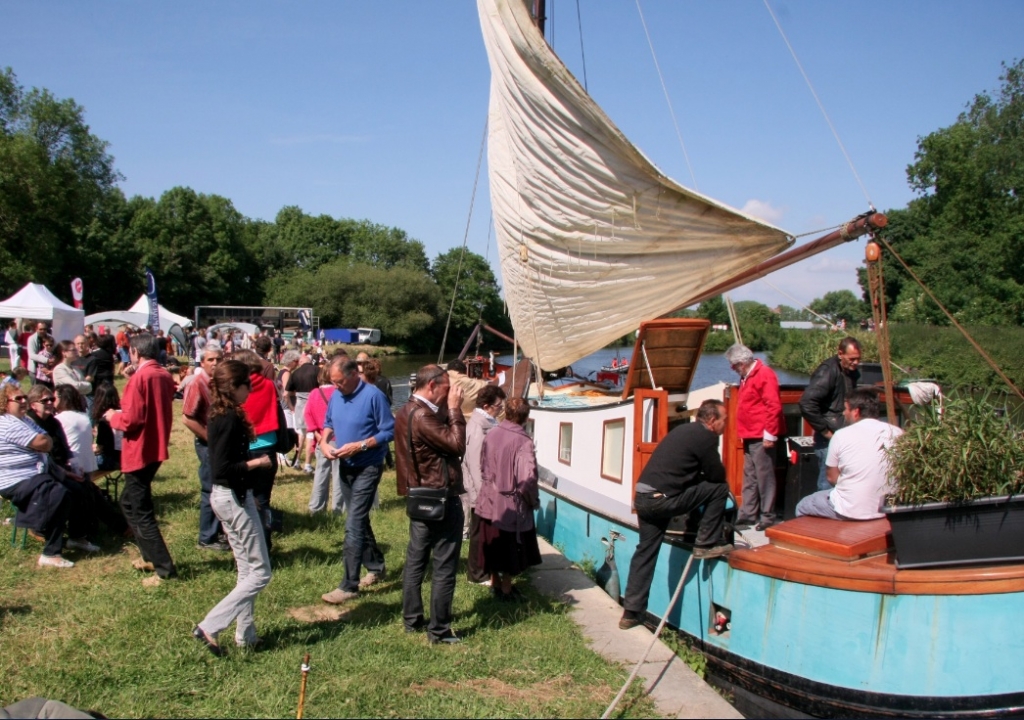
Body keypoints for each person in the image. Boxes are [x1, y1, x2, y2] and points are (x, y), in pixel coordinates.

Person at [619, 399, 733, 630]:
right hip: (662, 501)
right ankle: (706, 543)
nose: (725, 426)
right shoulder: (706, 436)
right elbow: (717, 475)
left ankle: (631, 613)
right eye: (724, 421)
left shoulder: (683, 429)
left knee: (646, 552)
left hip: (642, 497)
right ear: (712, 421)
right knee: (720, 489)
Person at [192, 360, 274, 657]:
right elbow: (223, 467)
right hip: (231, 496)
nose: (251, 391)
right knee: (261, 574)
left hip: (234, 495)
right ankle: (209, 626)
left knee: (246, 571)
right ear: (235, 387)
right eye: (247, 386)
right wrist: (258, 462)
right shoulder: (225, 419)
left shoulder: (223, 414)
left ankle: (246, 636)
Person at [393, 364, 466, 643]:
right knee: (444, 565)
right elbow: (457, 445)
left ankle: (412, 620)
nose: (451, 393)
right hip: (441, 497)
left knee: (416, 560)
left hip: (419, 494)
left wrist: (447, 410)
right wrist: (456, 409)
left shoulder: (405, 410)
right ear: (432, 386)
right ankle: (439, 630)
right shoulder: (424, 416)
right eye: (447, 387)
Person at [319, 357, 395, 605]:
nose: (336, 386)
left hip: (368, 466)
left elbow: (389, 431)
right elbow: (328, 423)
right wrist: (323, 443)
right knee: (358, 519)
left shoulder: (374, 396)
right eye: (333, 382)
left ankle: (349, 585)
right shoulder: (335, 395)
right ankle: (376, 566)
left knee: (353, 524)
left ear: (354, 375)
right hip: (345, 465)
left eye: (339, 382)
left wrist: (361, 445)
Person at [105, 333, 178, 585]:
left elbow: (131, 420)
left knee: (141, 510)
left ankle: (164, 568)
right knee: (127, 502)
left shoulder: (140, 379)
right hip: (155, 447)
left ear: (135, 353)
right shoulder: (162, 374)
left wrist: (112, 416)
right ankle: (150, 555)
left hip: (140, 450)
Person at [0, 384, 84, 567]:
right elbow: (43, 442)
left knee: (78, 489)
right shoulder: (7, 423)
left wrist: (46, 445)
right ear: (5, 404)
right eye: (18, 399)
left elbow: (46, 440)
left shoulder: (25, 420)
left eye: (24, 397)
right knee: (58, 494)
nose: (23, 402)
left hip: (39, 472)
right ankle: (50, 552)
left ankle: (76, 537)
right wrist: (43, 442)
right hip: (16, 479)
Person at [796, 389, 904, 520]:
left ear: (856, 412)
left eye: (846, 409)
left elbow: (831, 478)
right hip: (887, 508)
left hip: (851, 509)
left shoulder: (841, 435)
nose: (843, 413)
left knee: (803, 505)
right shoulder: (898, 433)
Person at [475, 397, 541, 600]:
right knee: (510, 547)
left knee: (493, 542)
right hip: (510, 505)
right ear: (525, 417)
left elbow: (482, 464)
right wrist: (533, 500)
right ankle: (506, 589)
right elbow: (527, 479)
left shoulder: (492, 433)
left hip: (488, 500)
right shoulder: (523, 441)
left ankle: (495, 581)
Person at [726, 344, 784, 531]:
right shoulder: (747, 376)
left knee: (764, 476)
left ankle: (767, 515)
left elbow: (773, 406)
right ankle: (748, 514)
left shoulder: (764, 374)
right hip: (749, 433)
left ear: (742, 363)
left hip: (761, 434)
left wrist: (770, 434)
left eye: (734, 365)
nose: (732, 369)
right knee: (750, 475)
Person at [182, 343, 229, 551]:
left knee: (221, 486)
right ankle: (206, 537)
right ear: (203, 362)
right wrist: (209, 438)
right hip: (207, 444)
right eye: (211, 360)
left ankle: (218, 531)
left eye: (218, 359)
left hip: (221, 443)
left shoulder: (220, 383)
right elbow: (188, 418)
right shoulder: (197, 383)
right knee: (210, 487)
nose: (215, 363)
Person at [233, 349, 282, 550]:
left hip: (245, 446)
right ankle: (266, 542)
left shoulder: (238, 387)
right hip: (268, 446)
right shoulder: (269, 384)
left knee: (243, 497)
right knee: (264, 498)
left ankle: (249, 545)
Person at [799, 337, 862, 491]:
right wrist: (826, 433)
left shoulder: (851, 373)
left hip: (843, 434)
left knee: (844, 484)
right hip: (829, 438)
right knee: (827, 485)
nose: (856, 363)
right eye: (852, 359)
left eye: (858, 359)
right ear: (840, 354)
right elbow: (806, 403)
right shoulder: (828, 371)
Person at [460, 384, 506, 583]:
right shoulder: (478, 426)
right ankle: (476, 575)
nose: (501, 409)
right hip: (480, 492)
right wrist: (483, 494)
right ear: (487, 406)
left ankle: (483, 570)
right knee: (479, 533)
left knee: (485, 532)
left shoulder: (486, 422)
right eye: (498, 406)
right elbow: (475, 462)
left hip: (486, 489)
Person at [303, 363, 344, 515]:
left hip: (322, 438)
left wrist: (316, 434)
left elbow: (307, 414)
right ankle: (338, 509)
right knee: (338, 475)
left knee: (321, 474)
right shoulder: (338, 392)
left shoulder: (314, 393)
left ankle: (316, 508)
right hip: (338, 438)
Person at [286, 353, 319, 473]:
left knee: (301, 434)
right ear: (310, 361)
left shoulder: (295, 373)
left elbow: (286, 393)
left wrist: (291, 406)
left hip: (299, 405)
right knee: (310, 435)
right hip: (312, 404)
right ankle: (308, 465)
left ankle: (297, 461)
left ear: (300, 363)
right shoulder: (317, 370)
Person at [91, 382, 122, 479]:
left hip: (111, 460)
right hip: (124, 457)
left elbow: (100, 447)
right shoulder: (122, 414)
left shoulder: (104, 421)